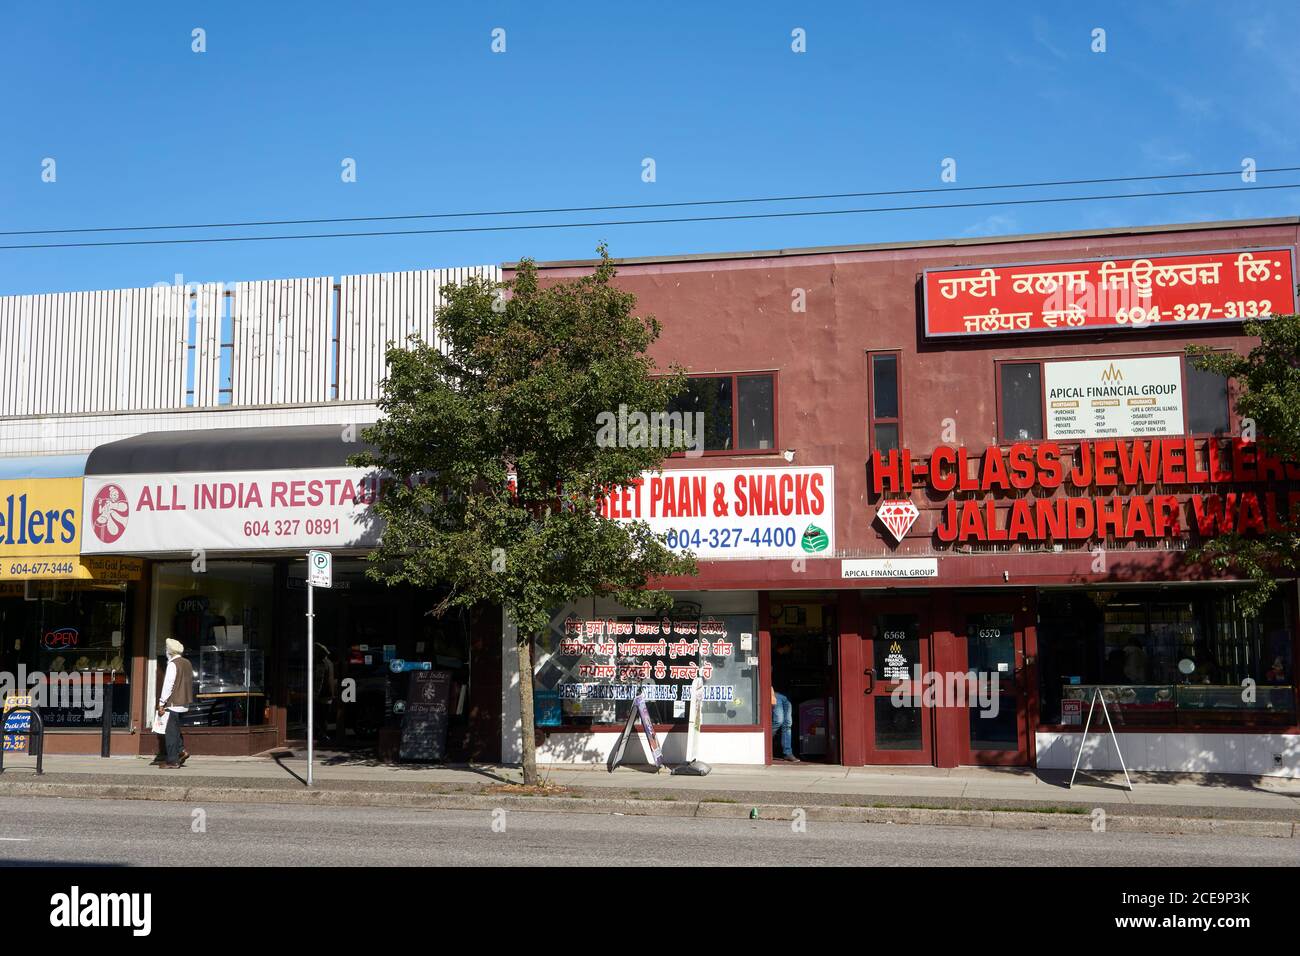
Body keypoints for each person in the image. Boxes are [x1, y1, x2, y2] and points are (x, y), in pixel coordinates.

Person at [157, 638, 194, 769]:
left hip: (173, 702)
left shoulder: (173, 664)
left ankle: (172, 761)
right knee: (175, 729)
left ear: (170, 651)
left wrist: (161, 703)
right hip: (185, 702)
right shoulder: (187, 663)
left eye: (166, 649)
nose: (165, 651)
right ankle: (181, 751)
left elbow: (168, 685)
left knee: (170, 732)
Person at [770, 686, 799, 762]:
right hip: (776, 694)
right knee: (778, 721)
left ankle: (788, 753)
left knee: (787, 724)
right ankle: (765, 746)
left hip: (787, 695)